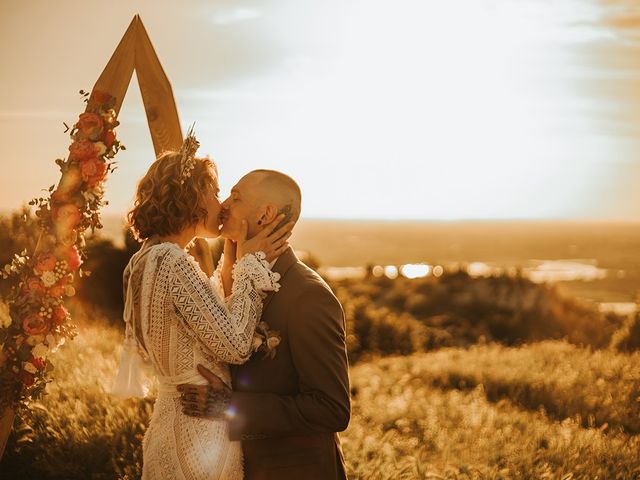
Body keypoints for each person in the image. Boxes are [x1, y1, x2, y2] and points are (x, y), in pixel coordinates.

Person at [114, 132, 293, 480]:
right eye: (213, 192)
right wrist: (251, 266)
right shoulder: (172, 261)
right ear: (193, 198)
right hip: (197, 432)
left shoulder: (143, 261)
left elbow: (197, 319)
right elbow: (236, 345)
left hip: (170, 419)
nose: (221, 203)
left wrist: (230, 259)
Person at [178, 170, 351, 480]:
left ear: (265, 214)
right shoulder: (231, 275)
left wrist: (230, 406)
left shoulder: (307, 295)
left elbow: (331, 408)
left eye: (236, 197)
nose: (225, 204)